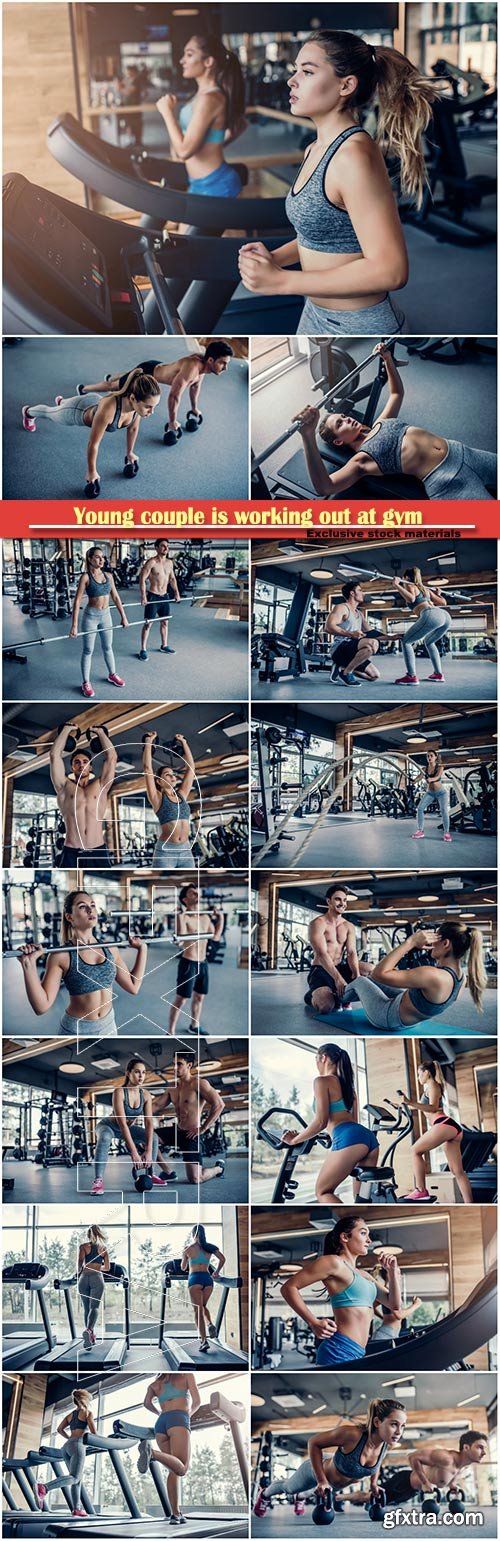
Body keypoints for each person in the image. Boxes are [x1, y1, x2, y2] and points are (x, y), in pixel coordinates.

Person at [239, 31, 438, 334]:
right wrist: (275, 258)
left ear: (346, 85)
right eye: (296, 70)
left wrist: (283, 281)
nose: (292, 80)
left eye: (307, 71)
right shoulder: (314, 149)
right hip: (315, 313)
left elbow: (391, 270)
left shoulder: (353, 156)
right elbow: (324, 236)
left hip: (360, 324)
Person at [292, 342, 498, 493]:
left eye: (344, 416)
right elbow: (324, 487)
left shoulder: (381, 422)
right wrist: (307, 436)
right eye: (340, 423)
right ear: (338, 440)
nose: (347, 419)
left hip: (463, 451)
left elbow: (396, 393)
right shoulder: (361, 461)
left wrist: (387, 360)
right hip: (447, 480)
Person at [17, 889, 147, 1038]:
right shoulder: (61, 955)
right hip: (77, 1030)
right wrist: (28, 965)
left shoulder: (110, 948)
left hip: (109, 1025)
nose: (90, 909)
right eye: (82, 906)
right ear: (69, 916)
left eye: (92, 905)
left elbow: (133, 986)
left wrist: (142, 949)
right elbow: (41, 1007)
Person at [254, 1398, 406, 1518]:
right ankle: (264, 1494)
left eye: (403, 1426)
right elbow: (314, 1443)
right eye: (394, 1424)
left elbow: (377, 1464)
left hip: (333, 1482)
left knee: (311, 1492)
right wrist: (321, 1480)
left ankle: (300, 1498)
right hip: (317, 1470)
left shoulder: (386, 1444)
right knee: (289, 1488)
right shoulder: (352, 1434)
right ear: (377, 1422)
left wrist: (373, 1483)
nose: (399, 1431)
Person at [280, 1216, 401, 1365]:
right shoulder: (333, 1262)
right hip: (339, 1349)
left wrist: (392, 1272)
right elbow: (288, 1288)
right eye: (363, 1233)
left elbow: (394, 1304)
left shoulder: (365, 1275)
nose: (369, 1240)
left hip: (359, 1351)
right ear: (344, 1237)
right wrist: (313, 1322)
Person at [22, 372, 161, 494]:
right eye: (148, 407)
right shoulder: (109, 410)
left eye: (154, 407)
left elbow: (133, 429)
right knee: (49, 412)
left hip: (93, 401)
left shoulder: (137, 410)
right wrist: (91, 471)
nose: (151, 412)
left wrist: (130, 452)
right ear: (132, 398)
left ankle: (62, 401)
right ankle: (28, 412)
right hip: (76, 411)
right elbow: (93, 444)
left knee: (67, 403)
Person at [280, 1042, 379, 1203]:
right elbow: (352, 1121)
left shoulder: (321, 1081)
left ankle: (344, 1226)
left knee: (323, 1192)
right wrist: (331, 1135)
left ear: (324, 1058)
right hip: (367, 1138)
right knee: (360, 1198)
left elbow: (320, 1121)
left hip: (348, 1138)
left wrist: (294, 1140)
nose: (316, 1064)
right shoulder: (349, 1088)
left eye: (316, 1059)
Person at [339, 921, 487, 1028]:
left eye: (435, 938)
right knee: (371, 978)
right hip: (407, 1020)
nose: (430, 944)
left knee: (361, 981)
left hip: (386, 1017)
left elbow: (379, 973)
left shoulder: (432, 975)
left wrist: (411, 942)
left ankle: (339, 998)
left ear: (445, 944)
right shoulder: (461, 979)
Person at [76, 342, 234, 441]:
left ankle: (114, 376)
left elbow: (195, 388)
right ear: (211, 360)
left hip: (158, 368)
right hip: (148, 371)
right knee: (115, 387)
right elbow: (174, 397)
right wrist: (172, 422)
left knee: (121, 378)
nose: (225, 368)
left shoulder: (203, 369)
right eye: (223, 363)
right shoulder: (192, 369)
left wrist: (194, 408)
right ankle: (84, 388)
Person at [156, 33, 246, 198]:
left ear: (208, 61)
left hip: (218, 185)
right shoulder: (200, 97)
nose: (182, 60)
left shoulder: (210, 99)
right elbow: (238, 127)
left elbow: (184, 152)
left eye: (189, 54)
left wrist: (168, 113)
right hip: (196, 183)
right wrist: (213, 143)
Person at [349, 1430, 489, 1511]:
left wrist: (452, 1485)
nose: (484, 1452)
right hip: (403, 1481)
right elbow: (412, 1457)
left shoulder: (462, 1465)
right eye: (480, 1447)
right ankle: (339, 1498)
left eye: (485, 1449)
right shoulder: (446, 1457)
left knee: (380, 1502)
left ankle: (368, 1504)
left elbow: (450, 1475)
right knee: (369, 1496)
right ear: (466, 1447)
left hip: (411, 1490)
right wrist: (425, 1482)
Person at [398, 1059, 473, 1204]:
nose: (418, 1078)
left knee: (415, 1150)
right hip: (451, 1128)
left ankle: (420, 1190)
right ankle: (469, 1203)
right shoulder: (431, 1087)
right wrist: (401, 1105)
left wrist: (409, 1102)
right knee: (458, 1171)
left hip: (442, 1123)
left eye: (419, 1074)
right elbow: (422, 1106)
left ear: (426, 1073)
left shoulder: (432, 1085)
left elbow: (432, 1107)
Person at [91, 1055, 166, 1196]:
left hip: (128, 1128)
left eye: (143, 1072)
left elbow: (149, 1122)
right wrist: (134, 1153)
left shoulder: (146, 1095)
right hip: (109, 1126)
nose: (141, 1075)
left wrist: (148, 1150)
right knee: (106, 1138)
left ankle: (151, 1174)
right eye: (137, 1072)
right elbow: (122, 1123)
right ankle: (98, 1180)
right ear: (128, 1074)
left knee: (154, 1138)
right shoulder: (119, 1092)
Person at [50, 722, 118, 868]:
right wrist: (66, 730)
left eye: (86, 762)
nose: (82, 765)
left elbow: (111, 757)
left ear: (91, 766)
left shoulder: (101, 785)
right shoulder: (64, 786)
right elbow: (54, 755)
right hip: (71, 852)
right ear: (72, 767)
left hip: (98, 851)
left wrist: (100, 733)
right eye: (77, 762)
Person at [153, 1049, 225, 1185]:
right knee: (149, 1136)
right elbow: (156, 1105)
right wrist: (132, 1111)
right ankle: (168, 1172)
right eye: (173, 1064)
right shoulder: (172, 1088)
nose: (175, 1067)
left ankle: (218, 1169)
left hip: (192, 1134)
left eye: (179, 1064)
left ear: (189, 1065)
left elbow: (219, 1105)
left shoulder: (199, 1084)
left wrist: (203, 1128)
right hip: (177, 1131)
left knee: (196, 1179)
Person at [139, 1373, 201, 1525]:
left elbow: (146, 1403)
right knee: (182, 1468)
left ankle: (176, 1514)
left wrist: (158, 1412)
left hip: (160, 1424)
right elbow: (197, 1401)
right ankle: (152, 1453)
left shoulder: (154, 1384)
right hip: (179, 1418)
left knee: (174, 1469)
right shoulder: (186, 1375)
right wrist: (187, 1415)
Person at [304, 882, 372, 1014]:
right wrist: (338, 979)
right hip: (321, 969)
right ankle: (311, 995)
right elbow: (322, 953)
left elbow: (351, 952)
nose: (342, 903)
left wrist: (357, 975)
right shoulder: (318, 923)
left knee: (370, 969)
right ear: (329, 901)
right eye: (338, 899)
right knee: (326, 1006)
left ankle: (339, 996)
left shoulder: (348, 926)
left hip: (340, 966)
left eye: (345, 900)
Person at [70, 545, 128, 698]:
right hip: (91, 617)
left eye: (103, 557)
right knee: (88, 651)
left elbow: (115, 597)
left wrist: (124, 616)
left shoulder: (109, 576)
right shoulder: (86, 577)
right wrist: (74, 626)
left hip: (106, 615)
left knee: (108, 647)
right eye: (97, 557)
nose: (102, 559)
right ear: (90, 559)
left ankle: (112, 674)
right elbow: (76, 602)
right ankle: (86, 682)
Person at [169, 883, 225, 1035]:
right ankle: (170, 1031)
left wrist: (221, 919)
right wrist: (179, 917)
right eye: (193, 893)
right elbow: (180, 940)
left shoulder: (205, 917)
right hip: (188, 963)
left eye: (197, 893)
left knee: (199, 997)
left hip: (203, 963)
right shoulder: (184, 917)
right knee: (181, 1000)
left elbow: (216, 937)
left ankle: (194, 1025)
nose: (197, 895)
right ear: (185, 899)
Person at [36, 1389, 96, 1518]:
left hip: (66, 1446)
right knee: (75, 1477)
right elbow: (94, 1434)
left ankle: (76, 1509)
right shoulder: (87, 1413)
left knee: (76, 1480)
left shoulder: (70, 1415)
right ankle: (44, 1487)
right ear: (85, 1399)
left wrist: (69, 1437)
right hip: (78, 1445)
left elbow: (59, 1429)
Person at [143, 731, 196, 869]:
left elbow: (191, 768)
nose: (173, 777)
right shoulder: (157, 798)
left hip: (186, 850)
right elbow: (147, 768)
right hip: (166, 852)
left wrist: (184, 743)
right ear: (159, 781)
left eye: (173, 774)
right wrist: (149, 742)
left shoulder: (182, 795)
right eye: (167, 775)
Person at [393, 568, 452, 685]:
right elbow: (443, 603)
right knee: (429, 642)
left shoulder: (410, 585)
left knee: (406, 641)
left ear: (407, 578)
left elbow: (411, 598)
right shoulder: (425, 589)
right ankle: (438, 674)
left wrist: (397, 585)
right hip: (444, 616)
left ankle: (411, 676)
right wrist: (438, 594)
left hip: (430, 614)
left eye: (404, 578)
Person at [181, 1221, 226, 1351]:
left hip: (195, 1279)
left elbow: (183, 1267)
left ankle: (203, 1341)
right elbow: (222, 1259)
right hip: (207, 1279)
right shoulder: (209, 1247)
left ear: (193, 1234)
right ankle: (210, 1324)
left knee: (198, 1310)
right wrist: (216, 1272)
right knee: (203, 1306)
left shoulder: (188, 1249)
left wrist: (185, 1257)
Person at [326, 582, 380, 688]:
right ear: (352, 593)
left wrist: (392, 637)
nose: (363, 593)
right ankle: (347, 672)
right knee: (372, 644)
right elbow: (328, 627)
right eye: (360, 590)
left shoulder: (359, 614)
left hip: (352, 648)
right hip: (340, 648)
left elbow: (371, 632)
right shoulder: (341, 607)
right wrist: (350, 634)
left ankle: (343, 668)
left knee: (374, 676)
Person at [138, 538, 181, 660]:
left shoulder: (169, 563)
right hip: (153, 596)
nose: (166, 548)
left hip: (165, 596)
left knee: (165, 622)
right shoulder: (151, 562)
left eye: (167, 546)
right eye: (163, 546)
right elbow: (142, 580)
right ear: (156, 548)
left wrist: (177, 593)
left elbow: (172, 579)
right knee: (148, 624)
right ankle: (143, 649)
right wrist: (143, 596)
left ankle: (164, 645)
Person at [370, 1265, 422, 1343]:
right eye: (397, 1273)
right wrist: (415, 1305)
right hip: (385, 1335)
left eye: (399, 1273)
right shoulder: (388, 1291)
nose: (400, 1276)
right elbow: (399, 1315)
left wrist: (384, 1317)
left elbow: (373, 1306)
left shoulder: (388, 1291)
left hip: (390, 1333)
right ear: (389, 1274)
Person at [77, 1225, 109, 1350]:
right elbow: (107, 1268)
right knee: (94, 1307)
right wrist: (98, 1267)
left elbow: (80, 1264)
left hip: (84, 1278)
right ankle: (89, 1331)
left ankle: (90, 1337)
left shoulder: (83, 1246)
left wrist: (79, 1274)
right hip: (96, 1277)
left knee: (86, 1309)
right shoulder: (103, 1249)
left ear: (88, 1234)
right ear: (100, 1233)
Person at [412, 750, 452, 842]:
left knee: (444, 810)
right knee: (420, 808)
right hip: (430, 792)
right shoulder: (424, 769)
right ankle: (420, 831)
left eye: (431, 756)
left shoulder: (440, 767)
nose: (429, 758)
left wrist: (431, 779)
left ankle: (446, 832)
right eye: (427, 756)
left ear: (435, 757)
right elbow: (419, 777)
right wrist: (414, 781)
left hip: (441, 793)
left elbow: (437, 777)